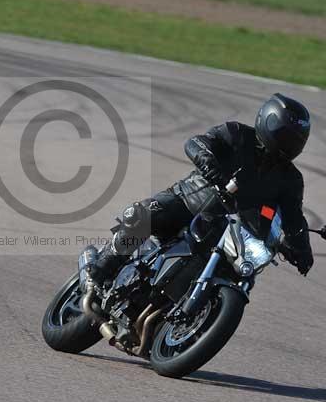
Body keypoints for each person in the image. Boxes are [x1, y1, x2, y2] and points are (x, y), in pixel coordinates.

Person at [84, 93, 314, 285]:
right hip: (188, 201)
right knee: (142, 217)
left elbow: (294, 219)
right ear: (267, 122)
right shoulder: (236, 134)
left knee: (244, 275)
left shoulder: (291, 180)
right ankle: (99, 269)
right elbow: (196, 142)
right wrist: (206, 161)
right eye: (285, 135)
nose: (289, 144)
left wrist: (302, 250)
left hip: (228, 233)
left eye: (296, 139)